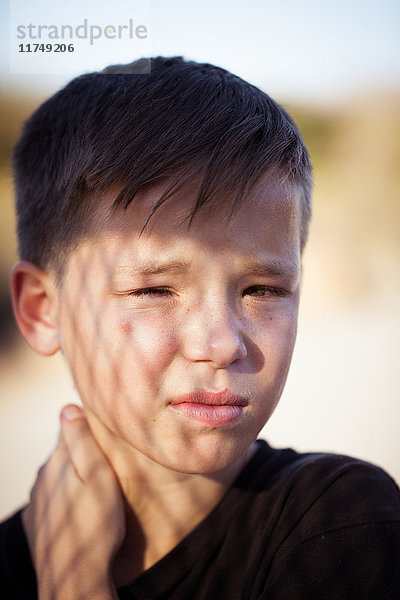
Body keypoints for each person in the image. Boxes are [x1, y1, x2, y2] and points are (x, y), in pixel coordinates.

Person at [0, 56, 399, 600]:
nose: (222, 345)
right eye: (153, 290)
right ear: (43, 310)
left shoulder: (342, 521)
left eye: (263, 290)